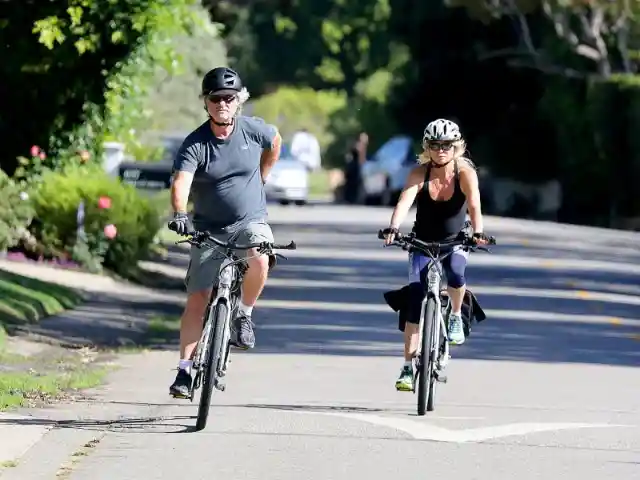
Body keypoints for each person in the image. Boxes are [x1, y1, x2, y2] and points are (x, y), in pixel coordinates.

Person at [167, 66, 282, 399]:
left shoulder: (251, 130)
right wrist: (179, 213)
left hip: (249, 220)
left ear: (238, 100)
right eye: (215, 99)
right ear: (206, 102)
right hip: (208, 228)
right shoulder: (195, 143)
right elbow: (181, 182)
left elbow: (275, 141)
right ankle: (185, 372)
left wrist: (264, 174)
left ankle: (243, 315)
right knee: (197, 299)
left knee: (260, 256)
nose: (222, 104)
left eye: (228, 98)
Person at [380, 119, 490, 392]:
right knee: (415, 298)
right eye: (435, 145)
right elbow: (404, 200)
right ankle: (407, 367)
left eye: (446, 145)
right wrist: (394, 228)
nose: (441, 150)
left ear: (457, 147)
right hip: (421, 241)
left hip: (455, 240)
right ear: (427, 147)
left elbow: (474, 203)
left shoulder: (465, 173)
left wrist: (478, 232)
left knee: (456, 271)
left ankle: (454, 316)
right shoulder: (419, 173)